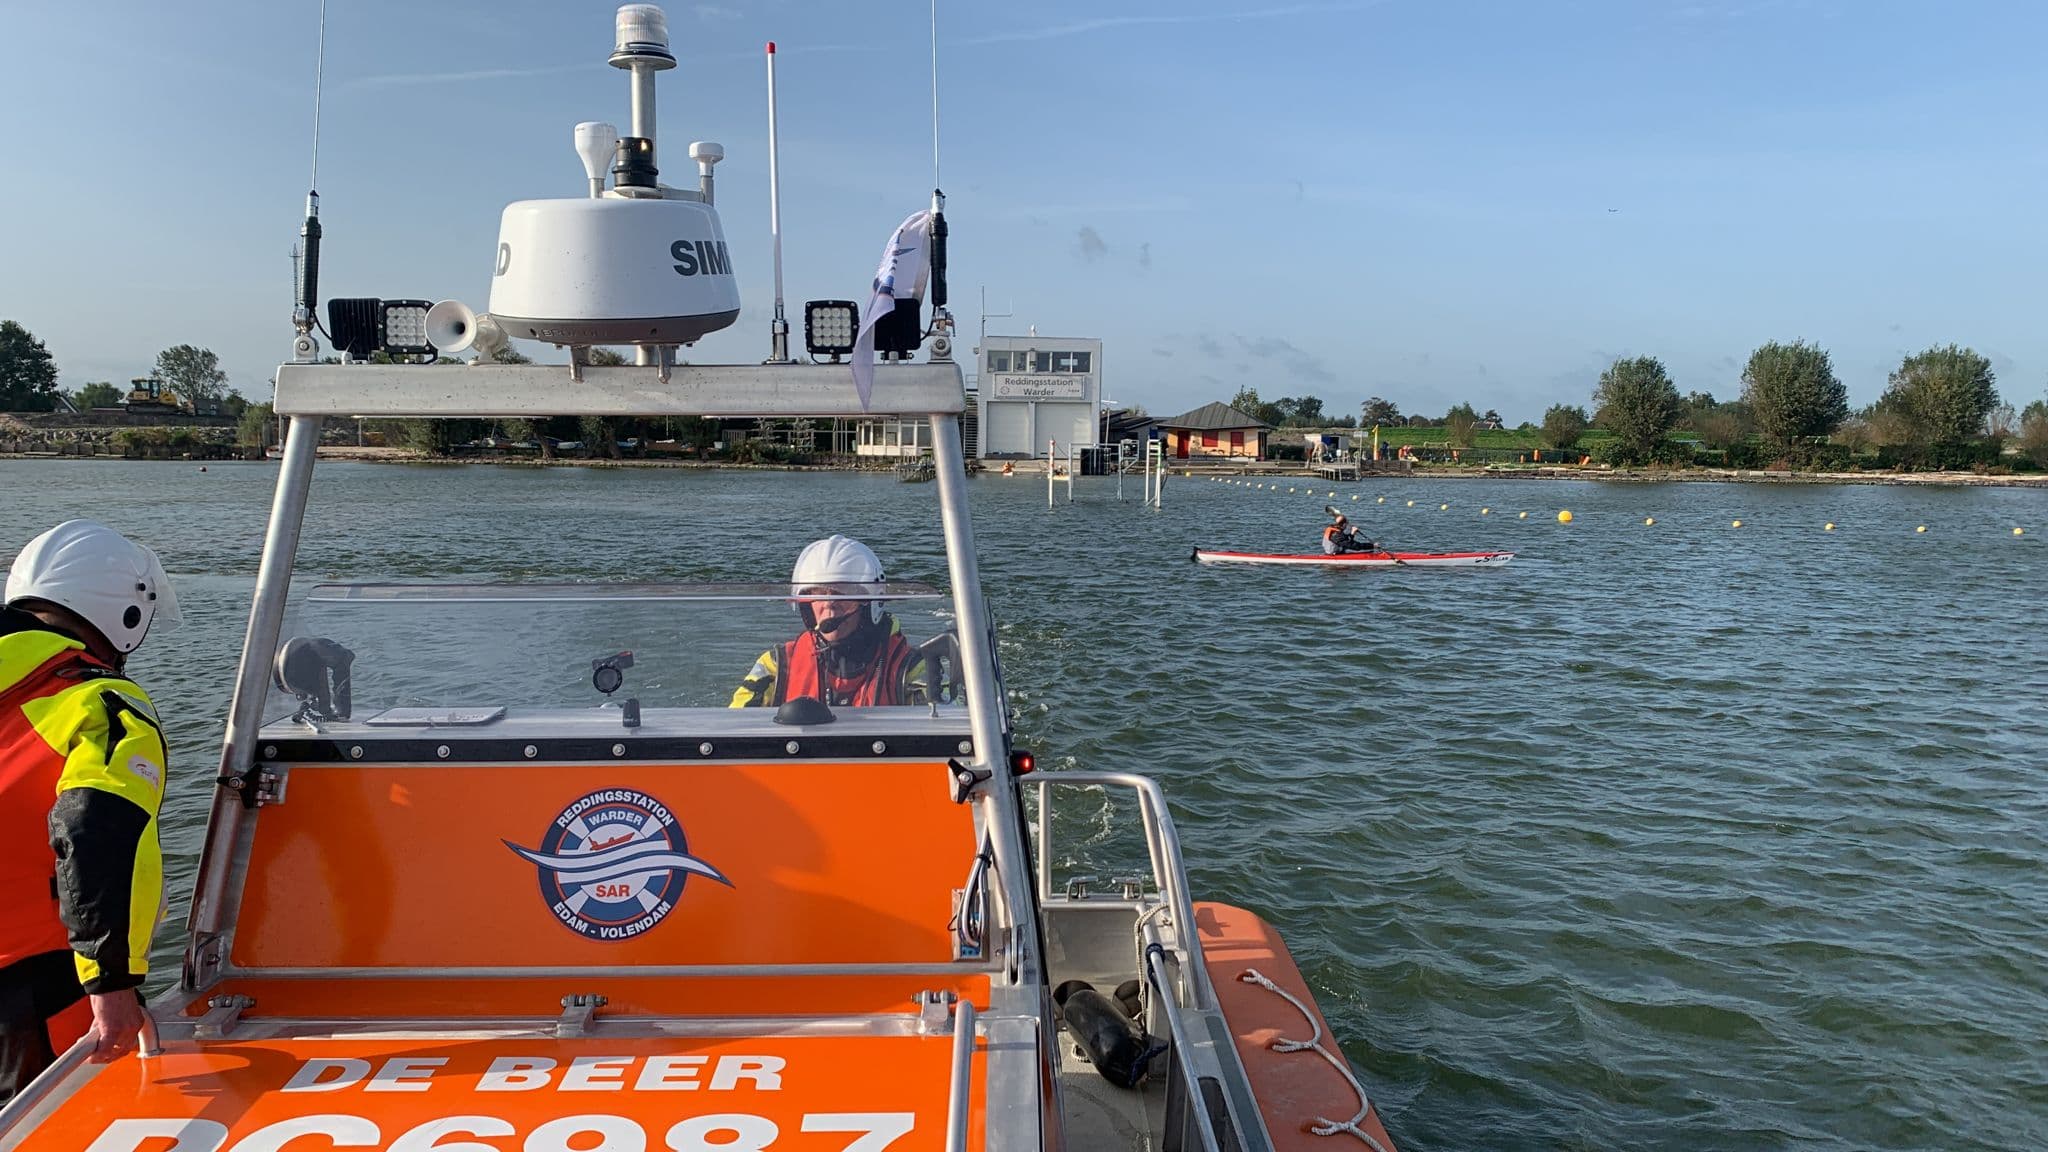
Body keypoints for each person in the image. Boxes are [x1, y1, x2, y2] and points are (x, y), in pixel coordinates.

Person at [1, 521, 178, 1101]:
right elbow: (92, 827)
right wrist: (112, 986)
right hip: (32, 991)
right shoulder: (97, 703)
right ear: (125, 615)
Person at [730, 535, 929, 709]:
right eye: (817, 594)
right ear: (806, 606)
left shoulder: (912, 668)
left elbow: (945, 725)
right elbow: (734, 727)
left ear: (870, 603)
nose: (829, 604)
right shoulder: (776, 665)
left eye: (843, 594)